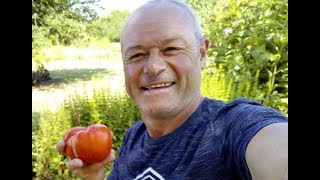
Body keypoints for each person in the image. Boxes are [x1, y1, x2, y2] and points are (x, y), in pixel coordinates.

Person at [56, 0, 288, 179]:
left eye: (171, 49)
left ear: (202, 54)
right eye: (137, 54)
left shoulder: (232, 128)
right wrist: (94, 176)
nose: (153, 67)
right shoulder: (133, 138)